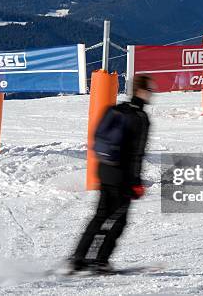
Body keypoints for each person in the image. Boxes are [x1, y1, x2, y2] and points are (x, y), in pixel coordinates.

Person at [70, 75, 153, 273]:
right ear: (142, 92)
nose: (151, 94)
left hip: (104, 169)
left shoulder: (116, 109)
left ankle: (79, 258)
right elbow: (136, 154)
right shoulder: (140, 118)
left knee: (100, 216)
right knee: (118, 220)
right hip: (122, 177)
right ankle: (100, 260)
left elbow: (97, 138)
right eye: (149, 90)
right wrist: (136, 182)